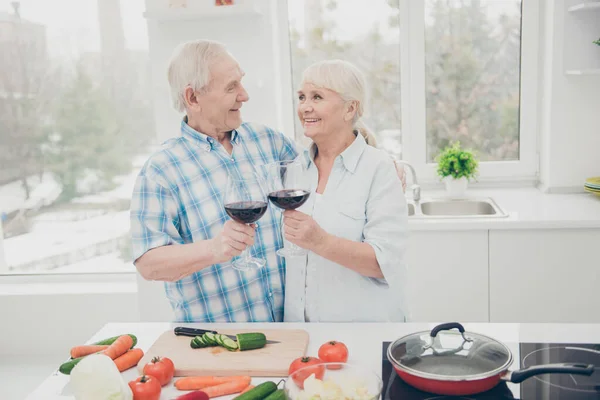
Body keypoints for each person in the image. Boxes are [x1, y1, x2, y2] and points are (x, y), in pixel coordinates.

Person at [130, 39, 298, 322]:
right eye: (231, 87)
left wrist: (373, 156)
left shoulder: (268, 141)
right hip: (218, 347)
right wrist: (213, 249)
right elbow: (149, 264)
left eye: (240, 83)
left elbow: (322, 171)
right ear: (193, 98)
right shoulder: (161, 170)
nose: (244, 96)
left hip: (291, 337)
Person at [282, 59, 409, 322]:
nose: (305, 107)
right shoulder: (295, 169)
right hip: (301, 333)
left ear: (350, 108)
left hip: (363, 330)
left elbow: (383, 264)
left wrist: (320, 241)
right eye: (302, 97)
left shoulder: (379, 168)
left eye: (317, 97)